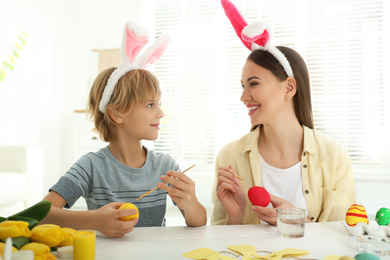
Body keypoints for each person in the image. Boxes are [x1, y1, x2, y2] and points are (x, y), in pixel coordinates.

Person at [40, 22, 207, 238]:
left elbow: (199, 223)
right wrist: (94, 221)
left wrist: (191, 202)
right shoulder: (90, 166)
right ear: (116, 113)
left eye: (159, 104)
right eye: (150, 105)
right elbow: (41, 214)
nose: (161, 113)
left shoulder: (165, 167)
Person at [211, 0, 355, 226]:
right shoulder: (229, 158)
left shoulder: (334, 156)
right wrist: (234, 217)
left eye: (254, 84)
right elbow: (220, 249)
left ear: (289, 87)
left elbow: (343, 239)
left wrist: (297, 220)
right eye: (242, 85)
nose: (243, 96)